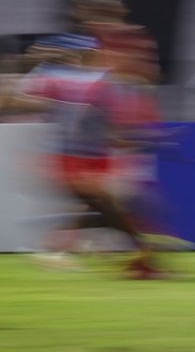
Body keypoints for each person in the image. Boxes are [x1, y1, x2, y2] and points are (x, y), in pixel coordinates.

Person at [8, 34, 162, 278]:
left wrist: (144, 139)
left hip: (91, 161)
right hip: (75, 162)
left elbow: (109, 133)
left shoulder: (96, 83)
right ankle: (142, 256)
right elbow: (16, 101)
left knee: (111, 210)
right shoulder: (70, 81)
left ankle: (60, 245)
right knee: (112, 209)